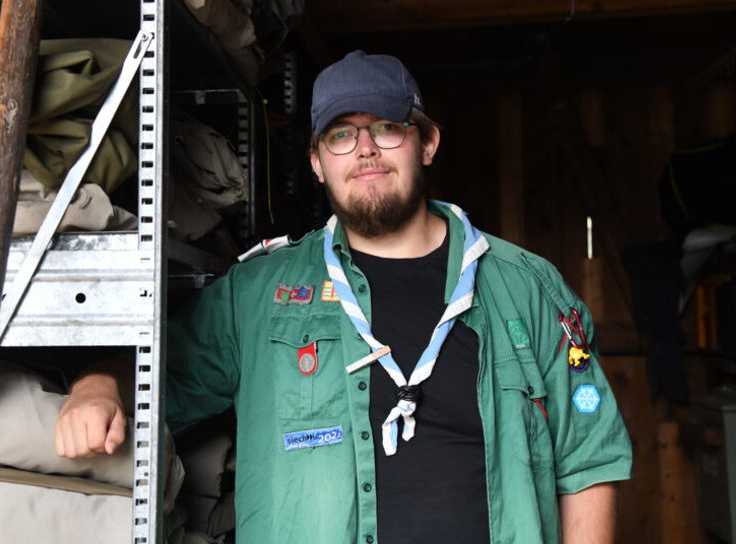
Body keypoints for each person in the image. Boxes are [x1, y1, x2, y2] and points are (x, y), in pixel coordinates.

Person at [55, 50, 632, 543]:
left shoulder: (527, 287)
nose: (365, 150)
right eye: (340, 134)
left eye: (387, 127)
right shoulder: (256, 296)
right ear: (316, 162)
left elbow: (588, 459)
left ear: (425, 142)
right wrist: (97, 384)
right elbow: (163, 380)